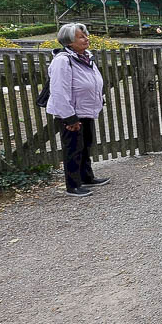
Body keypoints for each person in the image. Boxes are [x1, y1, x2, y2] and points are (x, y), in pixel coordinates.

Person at [46, 23, 109, 197]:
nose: (86, 39)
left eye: (86, 35)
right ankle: (73, 185)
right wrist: (69, 117)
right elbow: (59, 90)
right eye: (81, 37)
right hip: (71, 113)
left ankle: (86, 177)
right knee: (73, 148)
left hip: (85, 109)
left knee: (85, 145)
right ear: (69, 41)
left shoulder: (86, 57)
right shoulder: (63, 60)